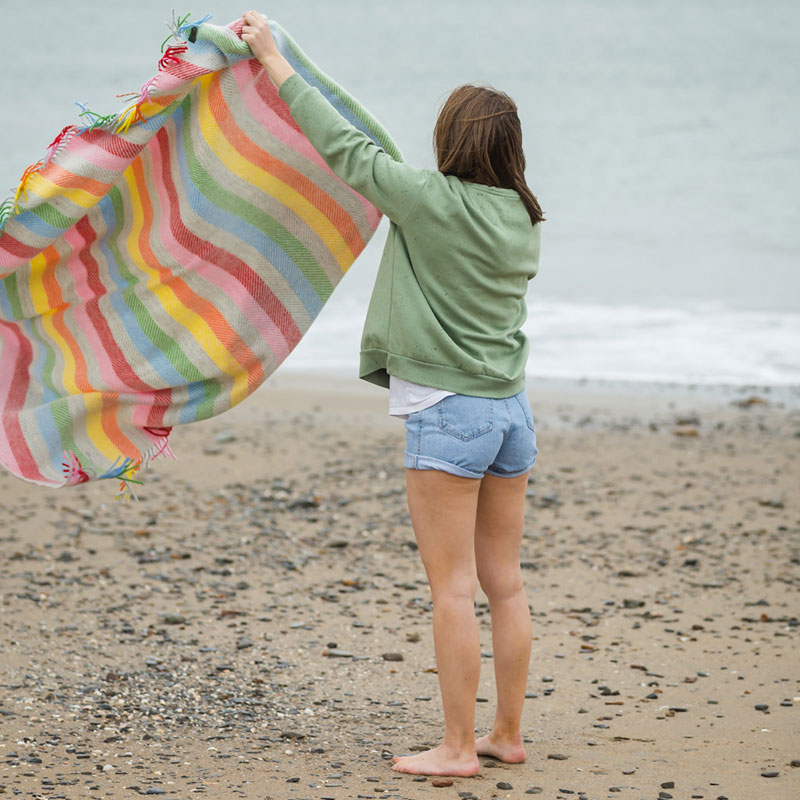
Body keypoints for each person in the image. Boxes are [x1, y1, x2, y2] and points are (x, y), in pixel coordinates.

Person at [241, 11, 544, 778]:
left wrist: (271, 56)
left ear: (451, 140)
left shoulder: (429, 200)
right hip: (510, 412)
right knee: (504, 585)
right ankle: (506, 734)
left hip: (446, 413)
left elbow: (343, 145)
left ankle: (456, 748)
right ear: (509, 149)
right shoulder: (522, 216)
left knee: (452, 588)